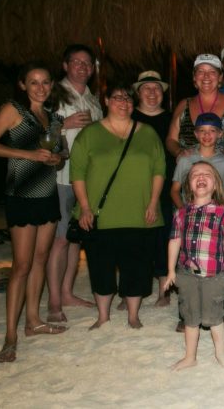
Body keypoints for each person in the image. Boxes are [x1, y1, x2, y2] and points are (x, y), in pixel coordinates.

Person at [0, 62, 67, 363]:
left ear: (52, 84)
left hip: (47, 195)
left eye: (45, 82)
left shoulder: (54, 118)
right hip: (21, 195)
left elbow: (62, 154)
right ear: (22, 85)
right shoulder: (13, 110)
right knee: (21, 266)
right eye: (34, 82)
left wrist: (57, 158)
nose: (40, 87)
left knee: (41, 259)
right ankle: (10, 336)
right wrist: (27, 154)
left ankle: (33, 322)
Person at [71, 79, 166, 330]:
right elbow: (77, 172)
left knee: (137, 263)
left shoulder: (147, 132)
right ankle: (103, 315)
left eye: (127, 98)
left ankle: (133, 315)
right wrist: (84, 207)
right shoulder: (90, 133)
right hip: (100, 214)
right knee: (100, 264)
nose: (123, 103)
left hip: (139, 209)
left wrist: (154, 202)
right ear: (106, 101)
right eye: (117, 98)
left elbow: (159, 169)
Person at [163, 161, 224, 370]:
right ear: (188, 185)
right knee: (190, 316)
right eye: (195, 175)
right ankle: (190, 356)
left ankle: (220, 353)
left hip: (214, 275)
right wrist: (171, 270)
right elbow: (174, 241)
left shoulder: (221, 212)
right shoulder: (181, 214)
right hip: (187, 274)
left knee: (214, 316)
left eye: (207, 174)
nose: (201, 177)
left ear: (215, 184)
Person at [49, 44, 102, 322]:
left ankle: (67, 292)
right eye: (77, 62)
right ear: (65, 65)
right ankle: (54, 301)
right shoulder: (53, 93)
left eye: (87, 63)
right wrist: (62, 124)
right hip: (60, 176)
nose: (83, 67)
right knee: (58, 239)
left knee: (74, 238)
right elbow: (33, 130)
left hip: (87, 178)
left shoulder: (94, 100)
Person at [131, 70, 176, 307]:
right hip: (134, 185)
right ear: (137, 93)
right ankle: (133, 290)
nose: (151, 92)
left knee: (164, 234)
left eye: (156, 88)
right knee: (135, 237)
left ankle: (163, 290)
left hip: (167, 184)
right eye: (146, 88)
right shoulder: (127, 118)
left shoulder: (171, 119)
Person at [166, 54, 224, 171]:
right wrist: (178, 151)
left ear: (220, 77)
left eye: (212, 71)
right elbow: (171, 139)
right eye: (201, 71)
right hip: (190, 175)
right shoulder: (183, 104)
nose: (206, 76)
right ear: (194, 77)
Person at [169, 113, 224, 209]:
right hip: (188, 214)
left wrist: (221, 213)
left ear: (220, 134)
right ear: (196, 134)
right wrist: (183, 211)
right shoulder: (185, 159)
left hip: (214, 216)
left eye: (212, 130)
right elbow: (174, 191)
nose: (207, 134)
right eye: (202, 130)